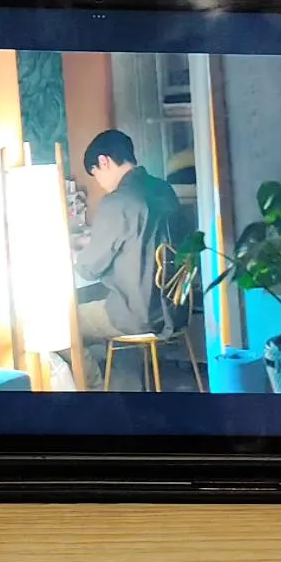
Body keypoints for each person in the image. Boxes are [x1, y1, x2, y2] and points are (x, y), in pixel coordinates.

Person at [67, 130, 189, 390]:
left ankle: (97, 389)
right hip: (172, 307)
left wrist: (82, 249)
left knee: (64, 324)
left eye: (96, 175)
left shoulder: (118, 201)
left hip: (139, 313)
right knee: (120, 302)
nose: (100, 183)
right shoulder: (163, 189)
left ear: (104, 162)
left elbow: (88, 269)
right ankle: (127, 390)